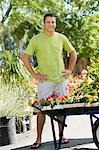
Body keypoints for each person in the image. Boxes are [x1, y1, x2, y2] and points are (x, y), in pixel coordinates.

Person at [22, 13, 77, 149]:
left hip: (61, 80)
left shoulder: (61, 38)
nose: (51, 24)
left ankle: (61, 135)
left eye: (53, 22)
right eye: (48, 22)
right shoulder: (36, 39)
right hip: (45, 81)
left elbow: (73, 53)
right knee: (42, 111)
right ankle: (38, 139)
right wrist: (35, 75)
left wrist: (69, 70)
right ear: (43, 23)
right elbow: (25, 57)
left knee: (61, 110)